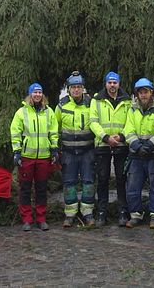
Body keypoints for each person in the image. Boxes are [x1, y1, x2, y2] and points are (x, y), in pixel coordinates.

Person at [10, 83, 59, 231]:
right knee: (25, 188)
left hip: (44, 156)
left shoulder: (49, 111)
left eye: (40, 92)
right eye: (35, 92)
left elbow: (54, 131)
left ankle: (41, 218)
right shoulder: (21, 112)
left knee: (42, 188)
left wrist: (54, 148)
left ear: (42, 95)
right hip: (27, 156)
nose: (37, 95)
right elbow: (15, 132)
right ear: (30, 94)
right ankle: (26, 219)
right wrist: (17, 151)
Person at [90, 71, 132, 226]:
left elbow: (131, 121)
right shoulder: (97, 100)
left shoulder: (127, 101)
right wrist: (105, 137)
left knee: (122, 179)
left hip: (121, 145)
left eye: (115, 82)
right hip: (103, 145)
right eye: (110, 82)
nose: (112, 85)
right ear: (105, 84)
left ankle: (123, 211)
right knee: (102, 179)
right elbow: (93, 121)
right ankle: (101, 212)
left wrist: (121, 136)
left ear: (119, 84)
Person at [55, 72, 96, 228]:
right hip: (68, 152)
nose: (76, 90)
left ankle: (88, 213)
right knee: (69, 183)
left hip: (87, 151)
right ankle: (70, 214)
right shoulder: (62, 105)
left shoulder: (91, 104)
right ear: (69, 89)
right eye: (73, 87)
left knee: (88, 182)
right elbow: (55, 127)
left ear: (83, 88)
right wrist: (56, 148)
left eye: (79, 87)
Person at [122, 78, 154, 228]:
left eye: (146, 92)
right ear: (137, 94)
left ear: (151, 92)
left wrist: (150, 145)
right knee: (133, 186)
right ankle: (135, 215)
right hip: (136, 154)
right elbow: (128, 129)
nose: (143, 95)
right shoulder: (132, 110)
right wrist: (138, 146)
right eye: (141, 92)